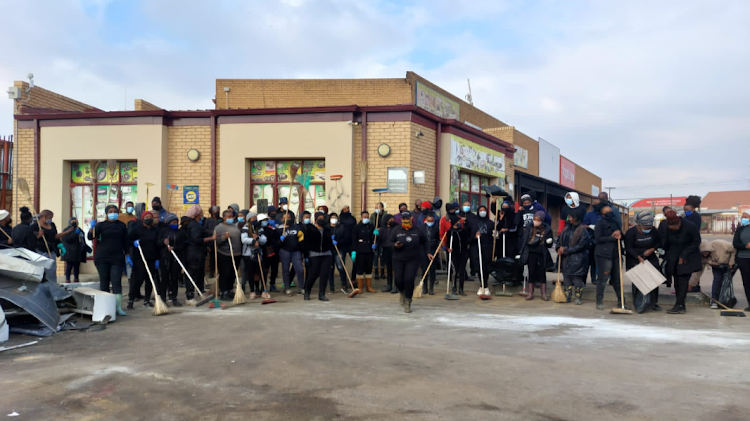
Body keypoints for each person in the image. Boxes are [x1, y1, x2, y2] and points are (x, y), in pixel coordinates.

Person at [88, 205, 129, 316]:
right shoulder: (101, 225)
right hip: (102, 257)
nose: (113, 213)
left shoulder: (121, 225)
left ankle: (118, 307)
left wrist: (128, 255)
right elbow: (90, 237)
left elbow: (126, 241)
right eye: (110, 211)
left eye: (115, 211)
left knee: (116, 282)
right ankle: (106, 308)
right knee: (104, 282)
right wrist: (92, 227)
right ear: (106, 213)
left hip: (117, 257)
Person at [661, 209, 702, 314]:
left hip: (688, 256)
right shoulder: (665, 226)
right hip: (673, 256)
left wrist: (684, 255)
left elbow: (697, 241)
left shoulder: (690, 226)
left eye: (675, 228)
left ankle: (679, 305)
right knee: (677, 282)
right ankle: (680, 304)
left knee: (683, 281)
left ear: (678, 222)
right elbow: (665, 242)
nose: (673, 230)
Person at [389, 211, 429, 313]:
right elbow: (389, 242)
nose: (405, 220)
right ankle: (401, 292)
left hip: (413, 259)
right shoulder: (396, 230)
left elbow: (425, 241)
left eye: (407, 218)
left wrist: (428, 252)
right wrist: (395, 245)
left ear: (411, 218)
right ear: (401, 219)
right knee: (398, 280)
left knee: (409, 279)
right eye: (404, 218)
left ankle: (408, 300)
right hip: (398, 258)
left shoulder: (417, 230)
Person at [624, 211, 662, 312]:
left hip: (650, 258)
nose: (648, 230)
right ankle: (639, 304)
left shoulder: (653, 231)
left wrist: (652, 249)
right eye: (646, 228)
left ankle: (654, 303)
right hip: (635, 259)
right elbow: (628, 248)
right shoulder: (631, 233)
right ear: (640, 224)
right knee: (639, 283)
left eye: (650, 228)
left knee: (653, 281)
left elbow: (658, 242)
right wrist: (638, 257)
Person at [593, 203, 627, 310]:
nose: (609, 213)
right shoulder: (599, 224)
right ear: (602, 214)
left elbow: (622, 236)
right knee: (603, 279)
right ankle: (599, 300)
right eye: (606, 212)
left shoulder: (616, 222)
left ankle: (621, 301)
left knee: (617, 279)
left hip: (616, 253)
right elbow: (598, 239)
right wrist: (613, 237)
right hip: (604, 254)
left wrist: (620, 233)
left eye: (610, 211)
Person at [128, 211, 161, 308]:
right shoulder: (136, 229)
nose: (148, 218)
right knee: (137, 280)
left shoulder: (155, 230)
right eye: (146, 217)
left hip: (152, 259)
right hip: (139, 259)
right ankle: (131, 300)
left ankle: (147, 300)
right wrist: (133, 242)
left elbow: (157, 245)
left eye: (150, 217)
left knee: (149, 280)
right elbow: (128, 240)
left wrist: (157, 259)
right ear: (142, 219)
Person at [518, 211, 553, 301]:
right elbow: (524, 240)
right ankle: (530, 293)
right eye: (534, 219)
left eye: (538, 220)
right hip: (531, 252)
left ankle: (543, 294)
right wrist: (521, 252)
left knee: (542, 273)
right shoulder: (529, 227)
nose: (535, 221)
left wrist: (549, 241)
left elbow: (549, 244)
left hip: (542, 253)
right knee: (531, 272)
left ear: (542, 220)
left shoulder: (547, 228)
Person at [557, 212, 591, 305]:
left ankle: (578, 297)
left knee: (577, 278)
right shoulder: (566, 228)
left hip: (578, 258)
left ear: (576, 218)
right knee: (566, 277)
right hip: (565, 257)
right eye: (569, 217)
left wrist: (566, 249)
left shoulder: (582, 230)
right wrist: (558, 247)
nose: (569, 219)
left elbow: (581, 245)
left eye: (571, 217)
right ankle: (567, 296)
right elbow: (559, 239)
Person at [184, 205, 216, 302]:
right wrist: (211, 238)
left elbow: (204, 231)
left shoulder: (196, 224)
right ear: (197, 214)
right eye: (201, 212)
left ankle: (201, 291)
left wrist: (214, 232)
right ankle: (190, 296)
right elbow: (196, 239)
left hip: (199, 253)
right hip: (194, 254)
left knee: (199, 273)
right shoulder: (193, 225)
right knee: (192, 274)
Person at [32, 209, 73, 283]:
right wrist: (39, 235)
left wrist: (66, 232)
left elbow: (55, 236)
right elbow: (32, 239)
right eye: (49, 217)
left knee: (52, 271)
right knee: (41, 271)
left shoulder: (52, 225)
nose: (50, 219)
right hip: (41, 251)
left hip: (51, 251)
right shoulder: (35, 226)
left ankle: (53, 290)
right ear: (44, 217)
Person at [303, 213, 334, 301]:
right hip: (314, 254)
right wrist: (306, 256)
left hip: (326, 254)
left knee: (324, 274)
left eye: (323, 218)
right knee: (313, 274)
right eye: (319, 218)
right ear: (316, 219)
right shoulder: (310, 229)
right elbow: (306, 243)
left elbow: (330, 242)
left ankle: (321, 294)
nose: (321, 219)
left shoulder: (327, 229)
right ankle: (307, 291)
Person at [700, 238, 736, 309]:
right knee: (717, 280)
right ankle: (714, 301)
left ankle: (725, 300)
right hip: (717, 267)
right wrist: (692, 283)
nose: (705, 254)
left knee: (726, 282)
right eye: (703, 253)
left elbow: (734, 249)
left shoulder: (720, 244)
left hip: (729, 265)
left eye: (706, 252)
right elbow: (699, 271)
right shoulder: (702, 258)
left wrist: (731, 262)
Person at [159, 214, 186, 307]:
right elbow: (157, 243)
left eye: (177, 222)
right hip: (165, 258)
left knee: (174, 279)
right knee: (165, 279)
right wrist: (163, 242)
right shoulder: (163, 232)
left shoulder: (181, 232)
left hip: (176, 258)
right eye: (173, 222)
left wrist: (175, 248)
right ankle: (163, 298)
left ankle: (173, 297)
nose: (176, 224)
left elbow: (183, 245)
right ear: (169, 223)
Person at [215, 209, 242, 299]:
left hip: (236, 253)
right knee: (224, 274)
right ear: (224, 217)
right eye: (229, 217)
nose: (231, 218)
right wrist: (224, 237)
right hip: (225, 254)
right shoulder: (219, 228)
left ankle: (230, 290)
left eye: (232, 217)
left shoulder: (234, 226)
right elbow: (216, 241)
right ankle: (224, 291)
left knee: (232, 274)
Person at [467, 205, 494, 294]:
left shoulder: (490, 223)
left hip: (487, 247)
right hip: (476, 247)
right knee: (479, 267)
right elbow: (468, 238)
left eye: (484, 210)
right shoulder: (472, 222)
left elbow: (494, 236)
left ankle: (485, 286)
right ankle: (482, 285)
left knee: (485, 267)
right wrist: (475, 237)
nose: (482, 211)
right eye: (481, 210)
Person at [277, 211, 305, 296]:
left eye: (288, 217)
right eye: (285, 218)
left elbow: (301, 238)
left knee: (300, 269)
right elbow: (276, 244)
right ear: (282, 219)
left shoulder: (296, 227)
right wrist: (280, 240)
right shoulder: (279, 230)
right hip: (285, 251)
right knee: (285, 270)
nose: (287, 219)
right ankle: (287, 288)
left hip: (296, 251)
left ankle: (301, 287)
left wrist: (301, 237)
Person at [443, 211, 469, 296]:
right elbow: (446, 243)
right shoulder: (450, 232)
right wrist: (448, 248)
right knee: (455, 271)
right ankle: (454, 287)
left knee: (462, 271)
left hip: (463, 253)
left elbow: (466, 241)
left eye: (460, 222)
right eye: (458, 222)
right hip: (454, 254)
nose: (459, 223)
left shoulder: (463, 231)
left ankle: (461, 288)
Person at [240, 212, 264, 299]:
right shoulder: (245, 228)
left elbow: (264, 239)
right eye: (253, 218)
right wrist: (253, 241)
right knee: (251, 272)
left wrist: (258, 238)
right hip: (248, 253)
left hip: (258, 253)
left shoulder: (259, 229)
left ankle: (258, 288)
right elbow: (244, 239)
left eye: (255, 218)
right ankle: (252, 290)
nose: (255, 220)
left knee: (258, 272)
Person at [352, 211, 377, 293]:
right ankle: (360, 287)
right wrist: (354, 251)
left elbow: (374, 238)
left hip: (369, 249)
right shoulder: (357, 227)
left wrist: (375, 236)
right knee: (360, 268)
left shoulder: (371, 226)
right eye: (364, 217)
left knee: (369, 268)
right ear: (361, 217)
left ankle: (368, 287)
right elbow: (354, 240)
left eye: (367, 217)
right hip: (360, 250)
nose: (366, 218)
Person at [329, 212, 352, 294]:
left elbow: (346, 238)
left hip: (339, 250)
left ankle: (344, 286)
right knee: (330, 269)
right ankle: (331, 288)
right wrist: (329, 241)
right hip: (329, 251)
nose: (334, 219)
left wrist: (337, 242)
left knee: (341, 267)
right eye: (332, 217)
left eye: (335, 217)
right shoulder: (327, 228)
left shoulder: (342, 227)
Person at [684, 195, 704, 292]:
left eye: (687, 209)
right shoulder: (687, 216)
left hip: (692, 243)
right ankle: (690, 285)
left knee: (693, 267)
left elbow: (693, 230)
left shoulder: (696, 217)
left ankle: (693, 285)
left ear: (692, 208)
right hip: (686, 243)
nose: (685, 211)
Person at [418, 213, 441, 295]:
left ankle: (431, 288)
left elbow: (439, 239)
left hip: (433, 250)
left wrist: (439, 246)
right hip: (423, 250)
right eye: (429, 221)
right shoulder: (421, 228)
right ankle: (425, 287)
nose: (430, 222)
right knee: (424, 269)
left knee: (432, 270)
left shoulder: (436, 228)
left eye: (432, 221)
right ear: (425, 220)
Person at [61, 217, 89, 283]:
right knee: (69, 266)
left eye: (75, 222)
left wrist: (85, 247)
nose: (74, 223)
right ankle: (67, 279)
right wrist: (75, 233)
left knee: (76, 267)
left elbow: (82, 239)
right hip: (70, 251)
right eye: (73, 222)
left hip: (78, 251)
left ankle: (76, 279)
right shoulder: (67, 230)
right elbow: (67, 239)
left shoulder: (79, 229)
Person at [732, 212, 750, 311]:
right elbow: (735, 243)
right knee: (747, 282)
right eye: (742, 217)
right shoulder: (740, 229)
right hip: (743, 258)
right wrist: (745, 246)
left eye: (746, 217)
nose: (743, 219)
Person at [378, 213, 397, 293]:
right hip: (385, 250)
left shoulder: (396, 228)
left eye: (393, 220)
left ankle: (396, 286)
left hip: (394, 250)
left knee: (395, 269)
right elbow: (379, 240)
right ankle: (389, 285)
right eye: (390, 220)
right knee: (388, 268)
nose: (392, 221)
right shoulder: (383, 229)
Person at [372, 202, 386, 280]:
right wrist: (374, 229)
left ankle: (383, 271)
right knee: (375, 255)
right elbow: (371, 225)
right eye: (375, 207)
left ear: (382, 208)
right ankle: (376, 271)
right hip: (375, 237)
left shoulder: (385, 215)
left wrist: (381, 229)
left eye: (378, 207)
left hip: (383, 238)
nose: (377, 209)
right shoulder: (373, 216)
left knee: (382, 255)